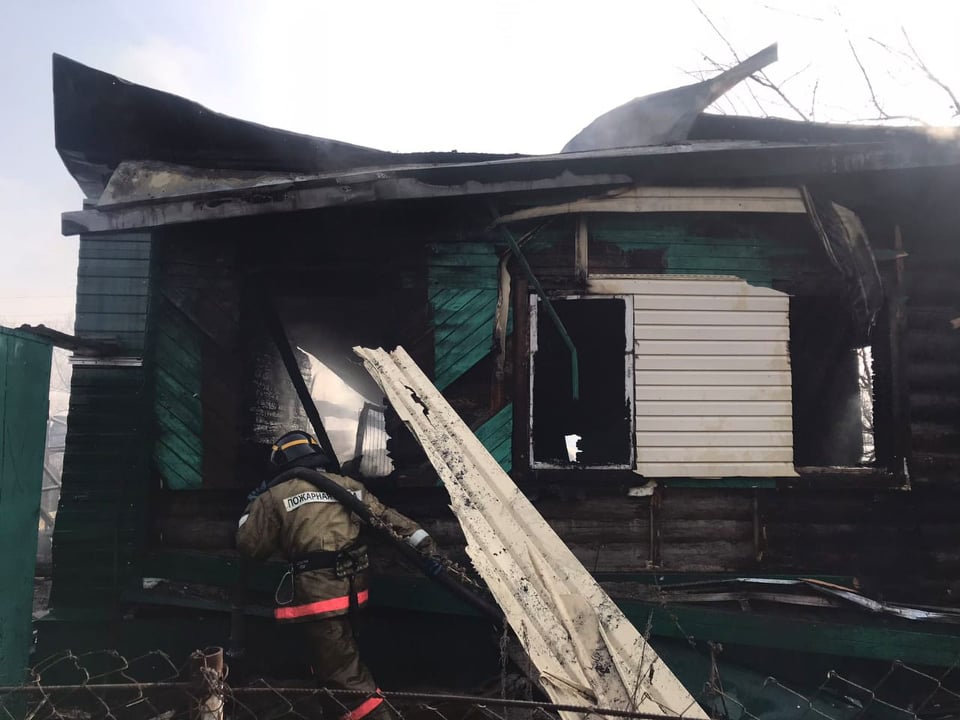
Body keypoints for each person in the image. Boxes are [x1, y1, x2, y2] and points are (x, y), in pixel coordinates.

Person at [236, 430, 436, 720]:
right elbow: (388, 520)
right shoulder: (348, 486)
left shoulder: (274, 496)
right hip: (354, 590)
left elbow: (251, 547)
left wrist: (251, 510)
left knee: (343, 676)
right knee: (331, 666)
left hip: (319, 596)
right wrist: (428, 547)